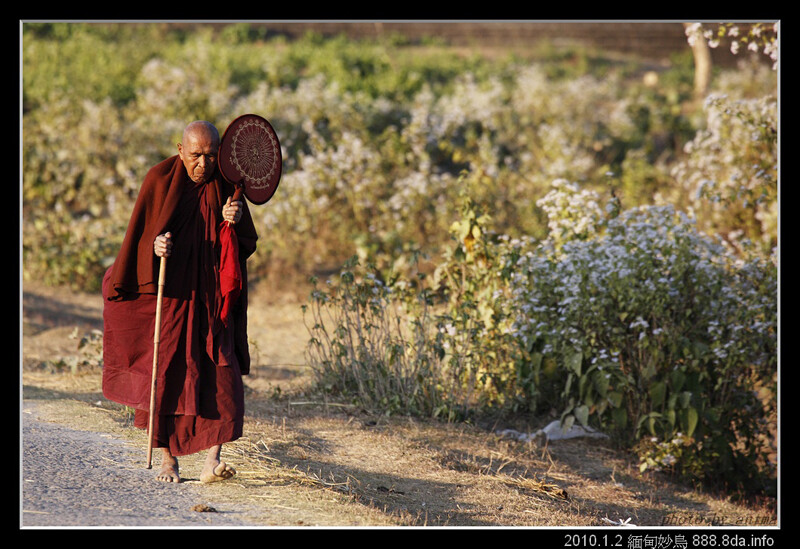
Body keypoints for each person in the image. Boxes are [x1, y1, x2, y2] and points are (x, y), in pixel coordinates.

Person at [101, 120, 258, 483]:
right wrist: (156, 248)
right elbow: (141, 236)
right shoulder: (159, 180)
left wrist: (232, 222)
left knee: (221, 373)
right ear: (180, 150)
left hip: (212, 296)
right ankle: (168, 459)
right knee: (169, 370)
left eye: (211, 155)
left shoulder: (227, 184)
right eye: (195, 156)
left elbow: (245, 244)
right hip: (172, 295)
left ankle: (212, 461)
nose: (203, 165)